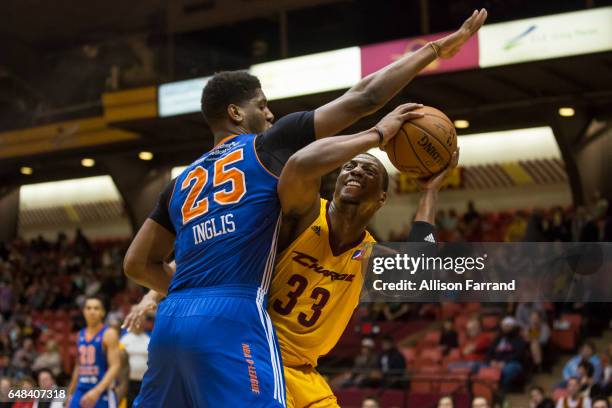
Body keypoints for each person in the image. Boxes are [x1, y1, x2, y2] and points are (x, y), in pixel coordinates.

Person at [124, 8, 487, 407]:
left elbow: (142, 263)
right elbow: (360, 100)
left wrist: (162, 295)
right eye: (262, 106)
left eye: (367, 171)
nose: (270, 113)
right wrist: (387, 119)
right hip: (245, 334)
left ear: (383, 198)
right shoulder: (287, 192)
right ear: (236, 113)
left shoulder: (180, 184)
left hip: (189, 324)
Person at [66, 296, 120, 408]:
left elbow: (115, 365)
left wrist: (97, 391)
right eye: (88, 308)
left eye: (96, 308)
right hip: (81, 389)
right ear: (84, 311)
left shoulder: (109, 333)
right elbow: (79, 365)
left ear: (102, 313)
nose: (92, 311)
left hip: (102, 390)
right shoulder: (80, 334)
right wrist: (70, 392)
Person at [487, 316, 527, 388]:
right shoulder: (498, 339)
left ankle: (501, 388)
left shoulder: (518, 339)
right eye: (504, 326)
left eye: (508, 326)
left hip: (512, 363)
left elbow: (518, 354)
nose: (505, 328)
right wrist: (491, 361)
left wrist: (504, 362)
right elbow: (489, 352)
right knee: (481, 368)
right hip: (496, 362)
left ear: (513, 327)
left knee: (507, 371)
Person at [119, 325, 149, 406]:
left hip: (144, 382)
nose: (138, 324)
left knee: (142, 403)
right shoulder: (124, 339)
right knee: (128, 403)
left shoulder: (148, 339)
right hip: (128, 381)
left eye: (141, 321)